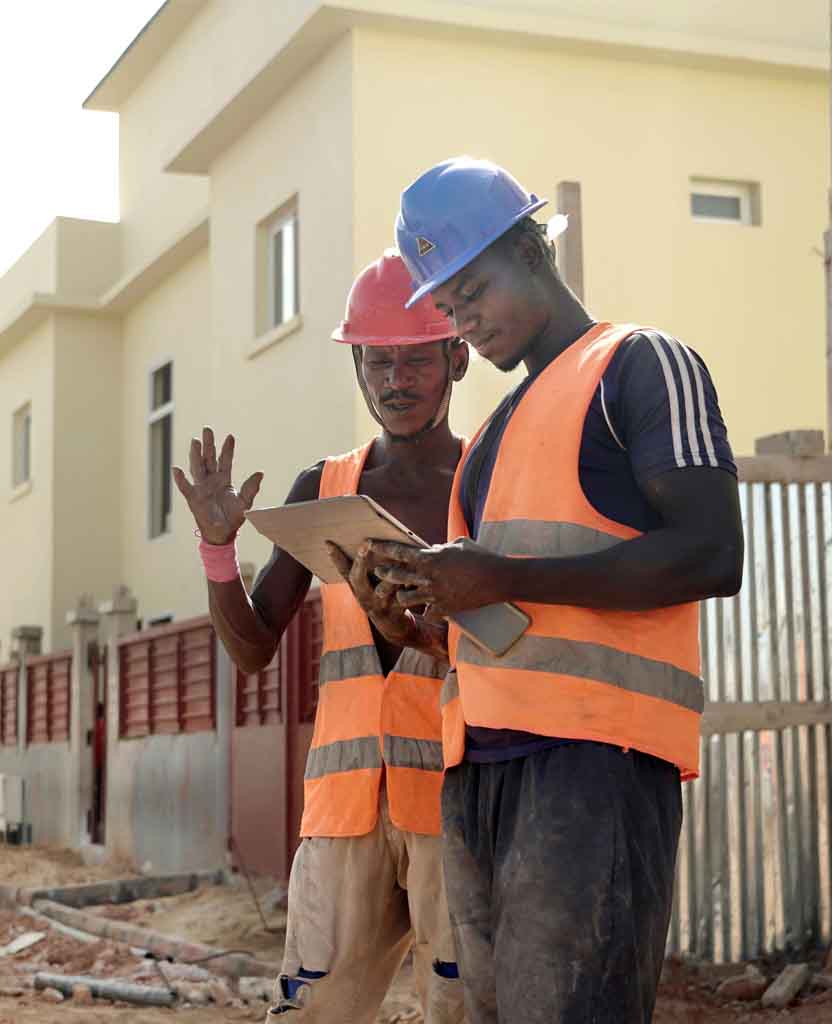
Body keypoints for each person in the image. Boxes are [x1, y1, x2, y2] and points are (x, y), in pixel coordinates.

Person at [346, 158, 742, 1023]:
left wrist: (501, 575)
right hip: (479, 771)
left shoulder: (639, 364)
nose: (466, 321)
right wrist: (415, 626)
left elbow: (714, 553)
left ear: (532, 250)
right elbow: (507, 629)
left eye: (475, 290)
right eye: (449, 306)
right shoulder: (493, 435)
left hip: (594, 767)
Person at [173, 251, 468, 1022]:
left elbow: (517, 644)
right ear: (358, 369)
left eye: (414, 362)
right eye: (376, 362)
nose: (394, 383)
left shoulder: (489, 484)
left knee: (466, 1012)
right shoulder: (326, 489)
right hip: (342, 816)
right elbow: (252, 648)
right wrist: (217, 550)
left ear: (458, 358)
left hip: (458, 811)